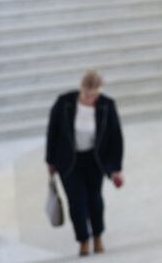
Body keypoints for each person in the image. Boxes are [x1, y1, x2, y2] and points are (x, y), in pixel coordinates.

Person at [46, 71, 124, 257]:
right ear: (81, 89)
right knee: (76, 202)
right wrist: (50, 160)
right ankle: (83, 239)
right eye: (87, 95)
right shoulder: (64, 103)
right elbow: (52, 132)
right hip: (69, 161)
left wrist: (115, 168)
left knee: (94, 200)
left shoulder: (106, 105)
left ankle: (97, 235)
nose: (90, 99)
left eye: (94, 95)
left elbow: (116, 137)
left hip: (94, 160)